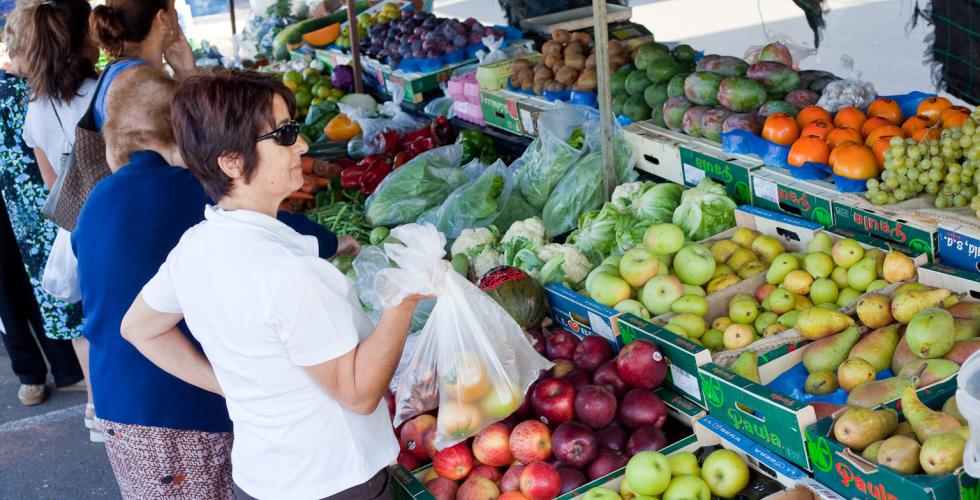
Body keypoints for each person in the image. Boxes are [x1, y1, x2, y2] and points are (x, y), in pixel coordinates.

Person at [121, 71, 421, 500]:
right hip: (333, 482)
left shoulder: (195, 246)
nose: (301, 145)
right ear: (232, 161)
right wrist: (403, 300)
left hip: (259, 480)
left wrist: (235, 384)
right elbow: (358, 394)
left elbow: (139, 327)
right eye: (284, 135)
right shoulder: (288, 272)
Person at [73, 65, 349, 500]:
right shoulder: (188, 190)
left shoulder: (95, 201)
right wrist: (339, 240)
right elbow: (291, 230)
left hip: (114, 403)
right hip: (181, 400)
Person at [15, 0, 101, 439]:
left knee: (81, 315)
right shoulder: (104, 90)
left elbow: (53, 183)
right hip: (117, 219)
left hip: (74, 227)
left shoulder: (36, 109)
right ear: (84, 39)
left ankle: (95, 406)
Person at [0, 3, 85, 406]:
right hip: (41, 207)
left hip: (42, 206)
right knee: (44, 290)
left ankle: (64, 375)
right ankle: (44, 374)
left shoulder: (33, 96)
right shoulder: (34, 93)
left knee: (51, 286)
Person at [89, 0, 197, 131]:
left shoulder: (115, 70)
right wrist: (190, 74)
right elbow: (207, 138)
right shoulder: (148, 87)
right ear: (162, 18)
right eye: (173, 8)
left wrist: (186, 71)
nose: (176, 14)